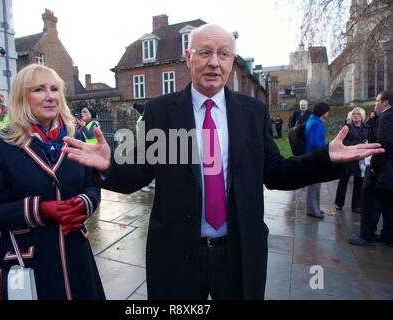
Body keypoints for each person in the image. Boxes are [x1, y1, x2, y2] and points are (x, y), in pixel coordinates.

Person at [62, 24, 383, 299]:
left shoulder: (252, 112)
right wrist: (108, 166)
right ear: (188, 58)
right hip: (177, 254)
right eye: (204, 52)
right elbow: (140, 174)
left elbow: (276, 172)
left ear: (232, 61)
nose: (214, 62)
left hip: (239, 254)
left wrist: (324, 158)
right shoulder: (161, 111)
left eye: (224, 54)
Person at [0, 64, 105, 300]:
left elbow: (92, 187)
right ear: (23, 96)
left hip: (77, 259)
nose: (50, 97)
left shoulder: (74, 138)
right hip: (27, 264)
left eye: (54, 89)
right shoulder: (0, 144)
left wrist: (84, 204)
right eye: (39, 90)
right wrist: (40, 209)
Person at [349, 91, 393, 247]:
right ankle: (389, 236)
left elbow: (383, 145)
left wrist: (374, 167)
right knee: (389, 204)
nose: (375, 103)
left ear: (386, 102)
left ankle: (367, 236)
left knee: (370, 202)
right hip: (388, 173)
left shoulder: (387, 117)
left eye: (377, 101)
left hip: (381, 171)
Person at [334, 107, 369, 213]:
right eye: (354, 114)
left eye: (358, 114)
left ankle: (356, 206)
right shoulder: (347, 127)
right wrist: (356, 145)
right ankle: (339, 203)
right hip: (348, 157)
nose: (356, 115)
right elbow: (342, 141)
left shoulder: (368, 127)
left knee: (359, 182)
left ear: (362, 116)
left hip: (360, 158)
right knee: (343, 181)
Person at [305, 102, 331, 219]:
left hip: (313, 157)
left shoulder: (313, 121)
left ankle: (315, 208)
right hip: (314, 158)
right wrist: (326, 148)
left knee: (315, 185)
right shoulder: (316, 123)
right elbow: (314, 142)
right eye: (327, 111)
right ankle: (313, 210)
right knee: (314, 186)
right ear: (323, 111)